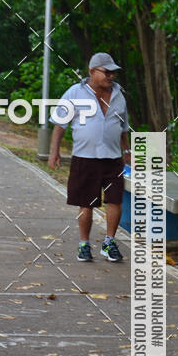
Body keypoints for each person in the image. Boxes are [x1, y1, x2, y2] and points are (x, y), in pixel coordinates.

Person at [48, 52, 130, 263]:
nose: (111, 76)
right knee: (86, 203)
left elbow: (123, 127)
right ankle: (84, 244)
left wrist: (127, 151)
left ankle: (109, 242)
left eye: (113, 72)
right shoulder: (74, 93)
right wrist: (54, 152)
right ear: (92, 71)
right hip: (85, 157)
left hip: (113, 158)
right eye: (107, 72)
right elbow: (59, 126)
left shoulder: (119, 94)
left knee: (115, 200)